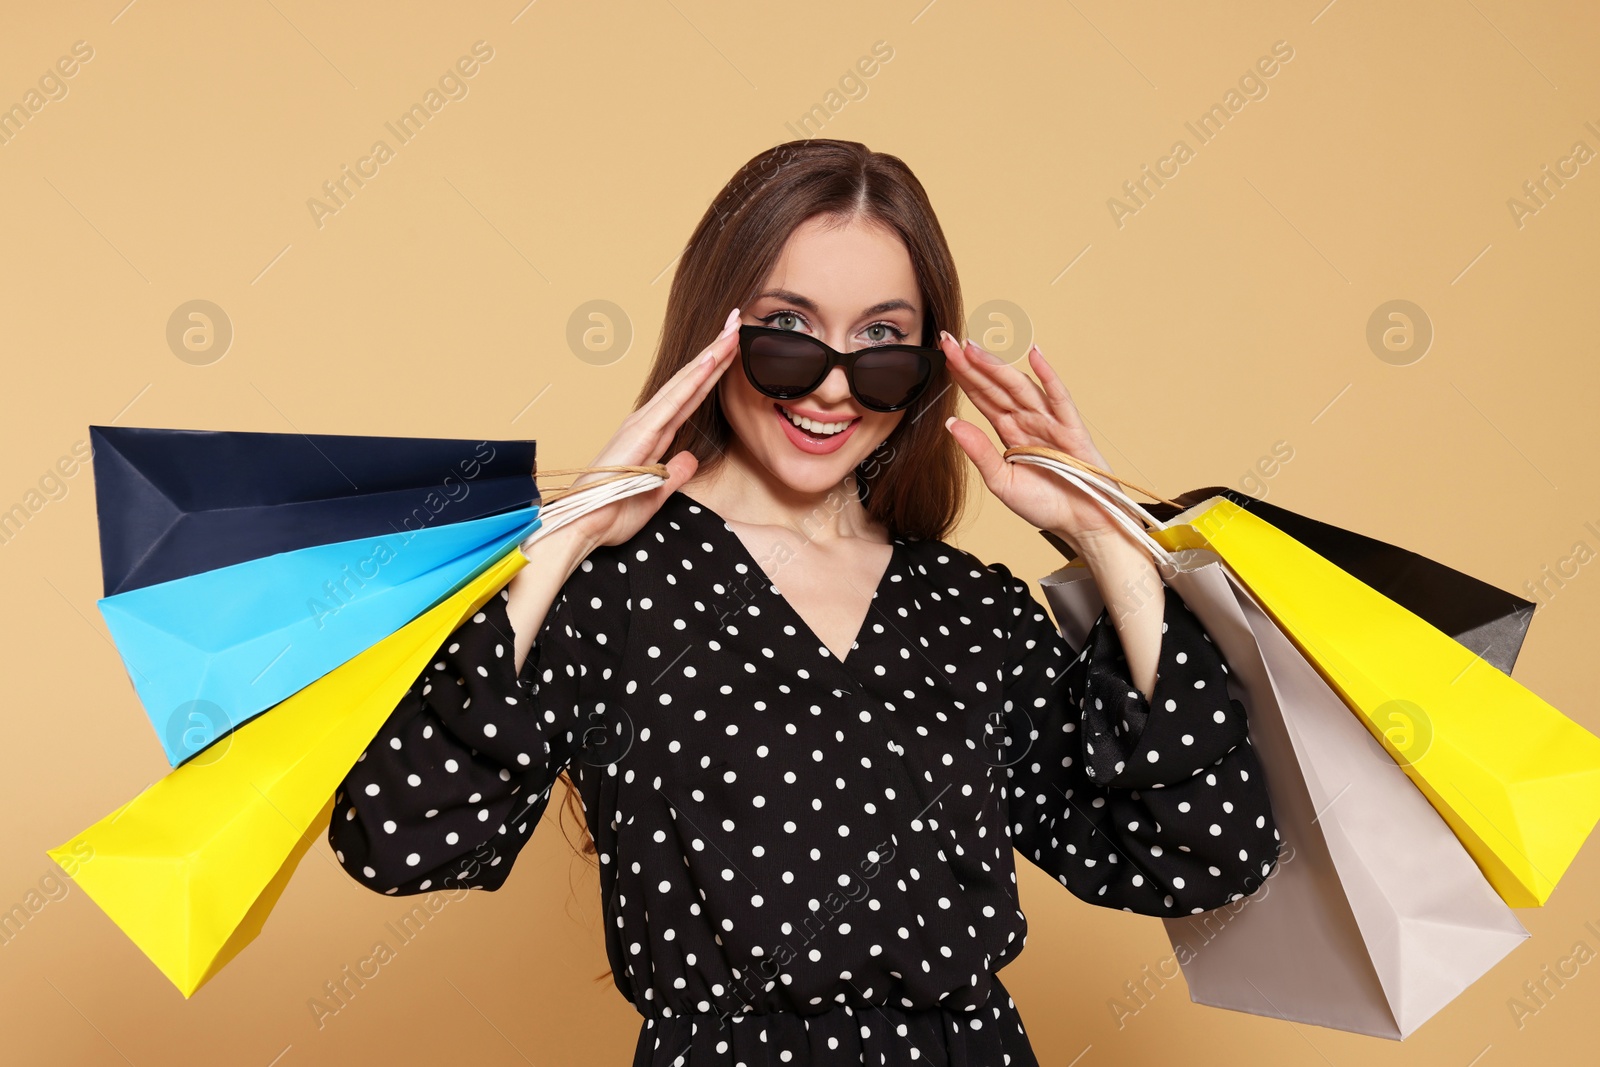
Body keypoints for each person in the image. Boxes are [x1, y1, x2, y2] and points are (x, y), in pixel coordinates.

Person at [329, 139, 1281, 1066]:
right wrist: (567, 533)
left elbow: (1205, 853)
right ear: (721, 327)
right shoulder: (607, 590)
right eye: (790, 328)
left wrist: (1105, 534)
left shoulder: (971, 611)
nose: (832, 384)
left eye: (879, 341)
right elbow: (400, 836)